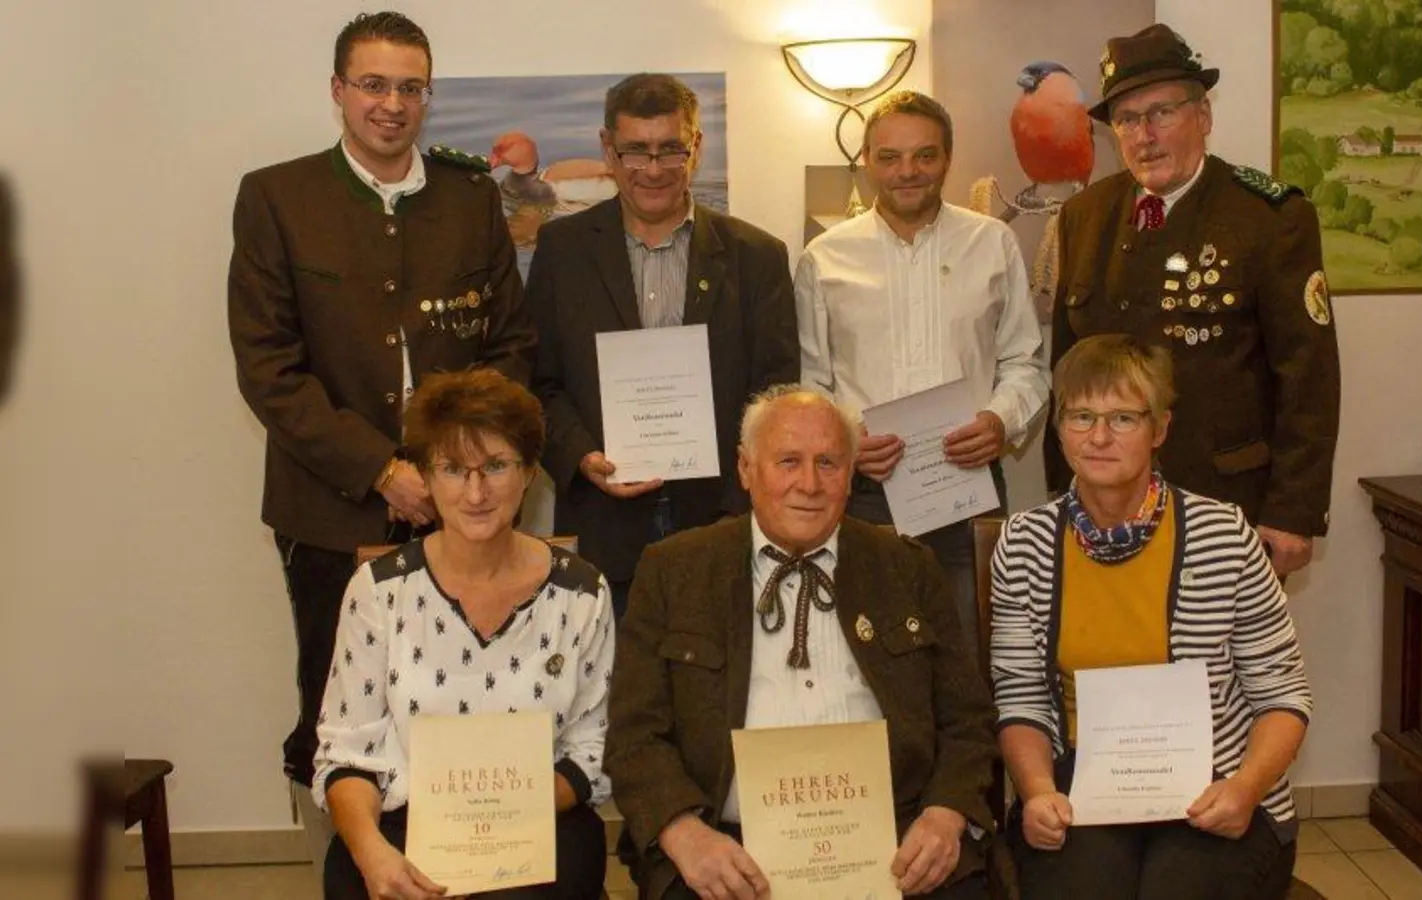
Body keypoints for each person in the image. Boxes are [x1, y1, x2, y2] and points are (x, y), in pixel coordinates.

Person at [226, 10, 537, 870]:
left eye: (409, 87)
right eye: (373, 84)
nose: (391, 104)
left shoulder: (472, 196)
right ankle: (358, 863)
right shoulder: (278, 197)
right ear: (338, 92)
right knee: (341, 703)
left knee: (467, 697)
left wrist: (460, 469)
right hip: (332, 510)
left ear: (426, 97)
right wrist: (381, 471)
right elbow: (269, 369)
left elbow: (509, 342)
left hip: (465, 509)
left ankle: (473, 861)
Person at [605, 385, 996, 900]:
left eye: (828, 463)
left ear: (851, 476)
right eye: (788, 461)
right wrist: (684, 834)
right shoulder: (674, 570)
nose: (809, 484)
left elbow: (968, 720)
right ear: (746, 469)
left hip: (896, 845)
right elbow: (634, 735)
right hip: (728, 852)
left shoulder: (906, 567)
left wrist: (945, 815)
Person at [990, 334, 1312, 898]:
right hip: (1079, 789)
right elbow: (1020, 697)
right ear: (1059, 427)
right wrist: (1037, 790)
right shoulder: (1025, 543)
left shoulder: (1224, 535)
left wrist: (1246, 787)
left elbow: (1282, 696)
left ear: (1160, 429)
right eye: (1082, 415)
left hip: (1218, 786)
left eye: (1123, 418)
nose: (1098, 437)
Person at [1046, 24, 1340, 578]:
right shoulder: (1084, 217)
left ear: (1202, 115)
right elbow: (1066, 368)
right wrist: (1060, 491)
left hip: (1225, 508)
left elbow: (1309, 376)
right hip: (1101, 510)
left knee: (1219, 664)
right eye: (1127, 119)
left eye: (1161, 113)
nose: (1144, 135)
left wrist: (1293, 512)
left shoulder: (1270, 217)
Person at [315, 369, 612, 900]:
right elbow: (346, 753)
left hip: (536, 817)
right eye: (453, 469)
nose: (476, 492)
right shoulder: (378, 592)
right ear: (426, 477)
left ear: (529, 472)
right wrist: (371, 853)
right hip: (401, 825)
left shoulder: (583, 593)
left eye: (496, 466)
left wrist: (503, 820)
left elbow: (593, 744)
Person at [526, 73, 798, 617]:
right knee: (613, 697)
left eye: (670, 149)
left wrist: (739, 494)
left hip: (724, 523)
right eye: (636, 151)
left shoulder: (757, 256)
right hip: (603, 526)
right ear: (609, 149)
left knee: (718, 697)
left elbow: (776, 393)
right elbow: (539, 380)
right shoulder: (562, 249)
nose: (653, 169)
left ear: (695, 147)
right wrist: (580, 456)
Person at [796, 90, 1048, 639]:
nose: (907, 171)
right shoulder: (825, 256)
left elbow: (1025, 362)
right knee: (865, 655)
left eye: (925, 156)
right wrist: (843, 439)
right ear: (866, 161)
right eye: (889, 157)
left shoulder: (993, 243)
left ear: (948, 158)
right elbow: (810, 380)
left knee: (965, 653)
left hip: (968, 481)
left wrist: (1001, 422)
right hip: (864, 490)